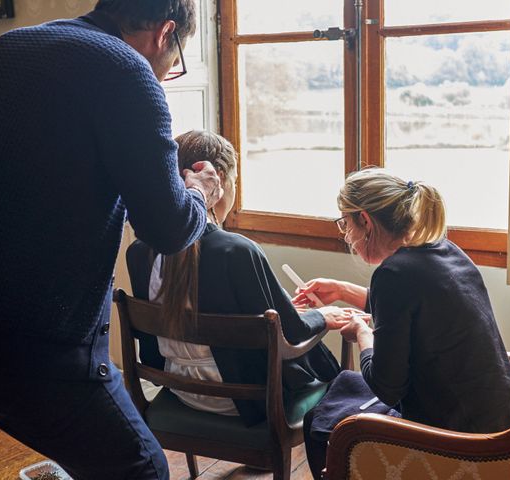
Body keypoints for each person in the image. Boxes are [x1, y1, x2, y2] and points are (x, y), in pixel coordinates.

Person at [0, 1, 222, 479]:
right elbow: (168, 229)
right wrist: (198, 192)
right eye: (175, 62)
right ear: (165, 32)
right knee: (142, 468)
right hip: (38, 340)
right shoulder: (125, 70)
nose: (167, 72)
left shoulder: (8, 47)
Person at [292, 168, 510, 478]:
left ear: (364, 220)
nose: (346, 234)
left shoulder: (393, 275)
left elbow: (387, 387)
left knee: (321, 419)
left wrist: (364, 334)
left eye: (345, 223)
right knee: (345, 389)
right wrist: (342, 290)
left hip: (459, 439)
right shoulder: (446, 251)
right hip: (508, 419)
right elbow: (412, 305)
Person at [127, 130, 354, 426]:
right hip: (245, 401)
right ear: (218, 179)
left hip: (179, 388)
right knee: (331, 373)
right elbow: (293, 333)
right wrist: (323, 315)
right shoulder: (236, 251)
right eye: (234, 181)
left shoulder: (139, 251)